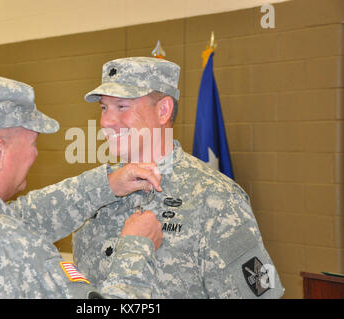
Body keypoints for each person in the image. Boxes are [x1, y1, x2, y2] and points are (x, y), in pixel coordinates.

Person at [0, 74, 164, 299]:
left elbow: (18, 216)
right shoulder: (22, 251)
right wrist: (136, 248)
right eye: (32, 143)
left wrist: (104, 185)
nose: (35, 154)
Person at [72, 57, 285, 298]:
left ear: (163, 111)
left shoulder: (216, 199)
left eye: (122, 107)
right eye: (104, 108)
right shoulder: (95, 192)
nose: (106, 122)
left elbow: (260, 294)